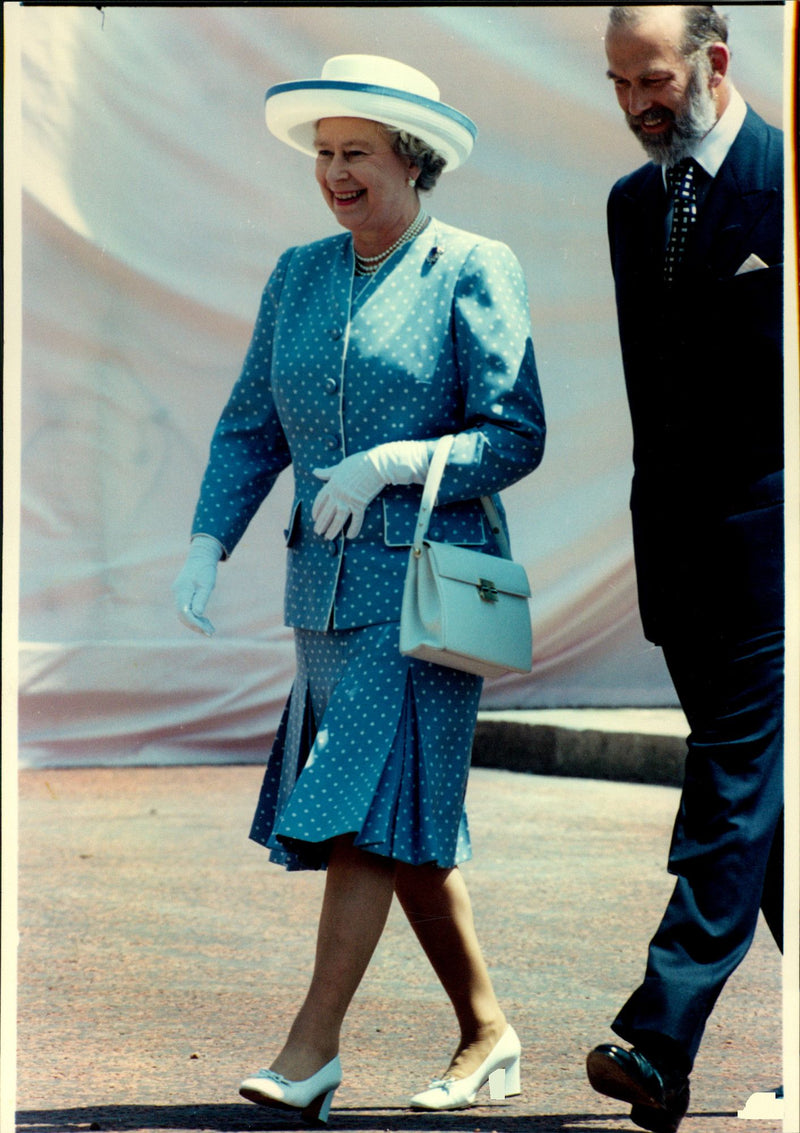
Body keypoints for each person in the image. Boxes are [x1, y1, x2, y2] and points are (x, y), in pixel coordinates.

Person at [172, 54, 545, 1123]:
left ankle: (309, 1051)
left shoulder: (474, 263)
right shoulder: (297, 273)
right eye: (324, 156)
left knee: (361, 811)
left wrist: (396, 461)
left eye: (356, 155)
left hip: (427, 593)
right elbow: (252, 422)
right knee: (399, 824)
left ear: (410, 160)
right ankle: (486, 1031)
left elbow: (515, 432)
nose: (334, 174)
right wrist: (209, 536)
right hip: (321, 599)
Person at [585, 7, 784, 1133]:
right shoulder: (631, 203)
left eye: (651, 78)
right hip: (675, 553)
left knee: (726, 784)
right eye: (616, 83)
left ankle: (658, 1037)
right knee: (768, 819)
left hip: (773, 548)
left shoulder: (782, 180)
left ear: (713, 60)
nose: (634, 103)